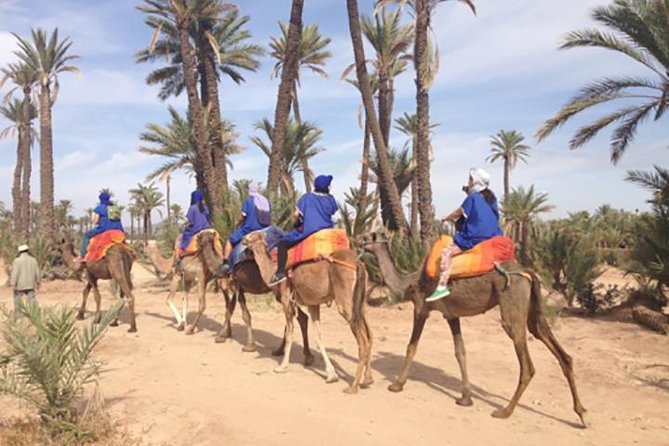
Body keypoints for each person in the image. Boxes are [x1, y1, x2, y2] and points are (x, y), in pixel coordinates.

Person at [426, 168, 503, 302]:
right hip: (495, 235)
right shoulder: (491, 198)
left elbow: (460, 212)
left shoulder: (472, 197)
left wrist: (446, 218)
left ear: (475, 182)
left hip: (475, 236)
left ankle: (442, 287)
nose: (468, 182)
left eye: (470, 179)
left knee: (446, 252)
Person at [270, 174, 337, 286]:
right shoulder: (331, 199)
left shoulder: (306, 197)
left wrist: (298, 222)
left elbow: (296, 215)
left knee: (282, 244)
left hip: (309, 231)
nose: (330, 187)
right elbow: (332, 211)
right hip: (327, 230)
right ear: (327, 187)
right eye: (330, 185)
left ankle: (280, 273)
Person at [219, 182, 271, 276]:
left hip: (249, 229)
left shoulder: (249, 200)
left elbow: (243, 216)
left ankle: (226, 263)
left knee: (230, 240)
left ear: (249, 190)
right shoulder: (265, 201)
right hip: (265, 230)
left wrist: (238, 223)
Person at [78, 191, 124, 261]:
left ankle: (83, 256)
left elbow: (96, 221)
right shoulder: (115, 208)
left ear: (100, 199)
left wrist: (96, 220)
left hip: (104, 229)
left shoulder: (99, 208)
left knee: (86, 236)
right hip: (119, 230)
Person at [10, 244, 40, 314]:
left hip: (20, 285)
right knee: (31, 300)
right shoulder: (33, 260)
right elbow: (37, 272)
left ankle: (19, 315)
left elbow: (15, 273)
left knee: (18, 300)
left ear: (19, 252)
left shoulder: (17, 261)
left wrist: (13, 283)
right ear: (28, 251)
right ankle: (34, 314)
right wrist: (38, 282)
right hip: (31, 284)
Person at [179, 189, 211, 254]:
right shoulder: (205, 207)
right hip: (207, 228)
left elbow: (191, 221)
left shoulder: (192, 208)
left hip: (197, 229)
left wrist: (188, 227)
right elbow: (208, 217)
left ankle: (183, 250)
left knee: (185, 235)